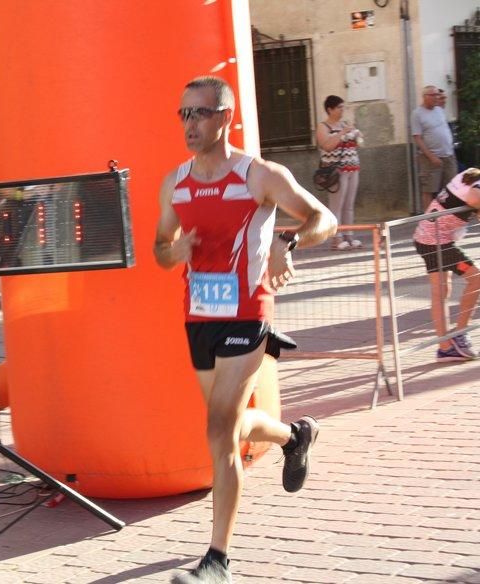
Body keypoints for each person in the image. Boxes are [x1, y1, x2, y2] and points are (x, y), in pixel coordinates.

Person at [153, 76, 337, 584]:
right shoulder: (175, 182)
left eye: (200, 113)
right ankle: (295, 435)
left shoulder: (260, 176)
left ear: (224, 117)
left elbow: (323, 218)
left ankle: (217, 560)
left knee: (217, 432)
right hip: (198, 318)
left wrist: (290, 241)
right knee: (230, 428)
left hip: (247, 314)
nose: (190, 124)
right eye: (183, 114)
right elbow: (158, 250)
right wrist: (176, 252)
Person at [413, 168, 480, 363]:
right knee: (478, 277)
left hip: (429, 238)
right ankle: (460, 333)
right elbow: (476, 198)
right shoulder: (479, 182)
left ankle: (445, 347)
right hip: (435, 241)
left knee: (441, 291)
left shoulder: (471, 174)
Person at [316, 95, 363, 250]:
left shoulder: (345, 124)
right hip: (336, 172)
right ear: (330, 109)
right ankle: (336, 238)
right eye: (339, 107)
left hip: (352, 169)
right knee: (336, 205)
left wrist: (357, 136)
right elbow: (327, 146)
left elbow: (359, 142)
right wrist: (342, 132)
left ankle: (349, 236)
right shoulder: (323, 127)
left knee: (349, 205)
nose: (342, 110)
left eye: (343, 107)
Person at [412, 85, 458, 209]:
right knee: (429, 190)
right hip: (430, 158)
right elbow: (417, 138)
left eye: (438, 95)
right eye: (434, 95)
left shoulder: (439, 110)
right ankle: (428, 220)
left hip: (448, 155)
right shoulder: (417, 114)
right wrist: (431, 157)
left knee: (451, 188)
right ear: (425, 97)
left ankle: (448, 217)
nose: (437, 97)